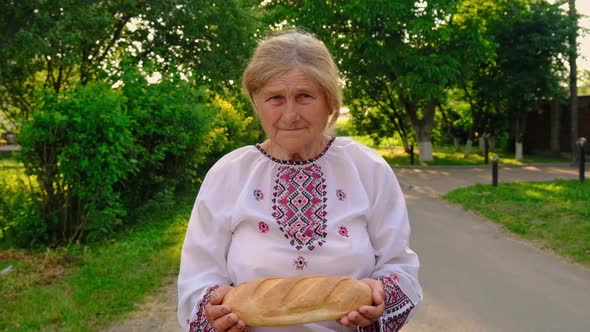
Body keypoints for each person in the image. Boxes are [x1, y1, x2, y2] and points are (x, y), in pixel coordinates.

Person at [177, 30, 422, 332]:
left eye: (304, 96)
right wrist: (213, 311)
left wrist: (379, 295)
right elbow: (197, 275)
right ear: (257, 103)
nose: (290, 115)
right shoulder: (229, 173)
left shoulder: (366, 167)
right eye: (275, 98)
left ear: (330, 102)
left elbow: (400, 265)